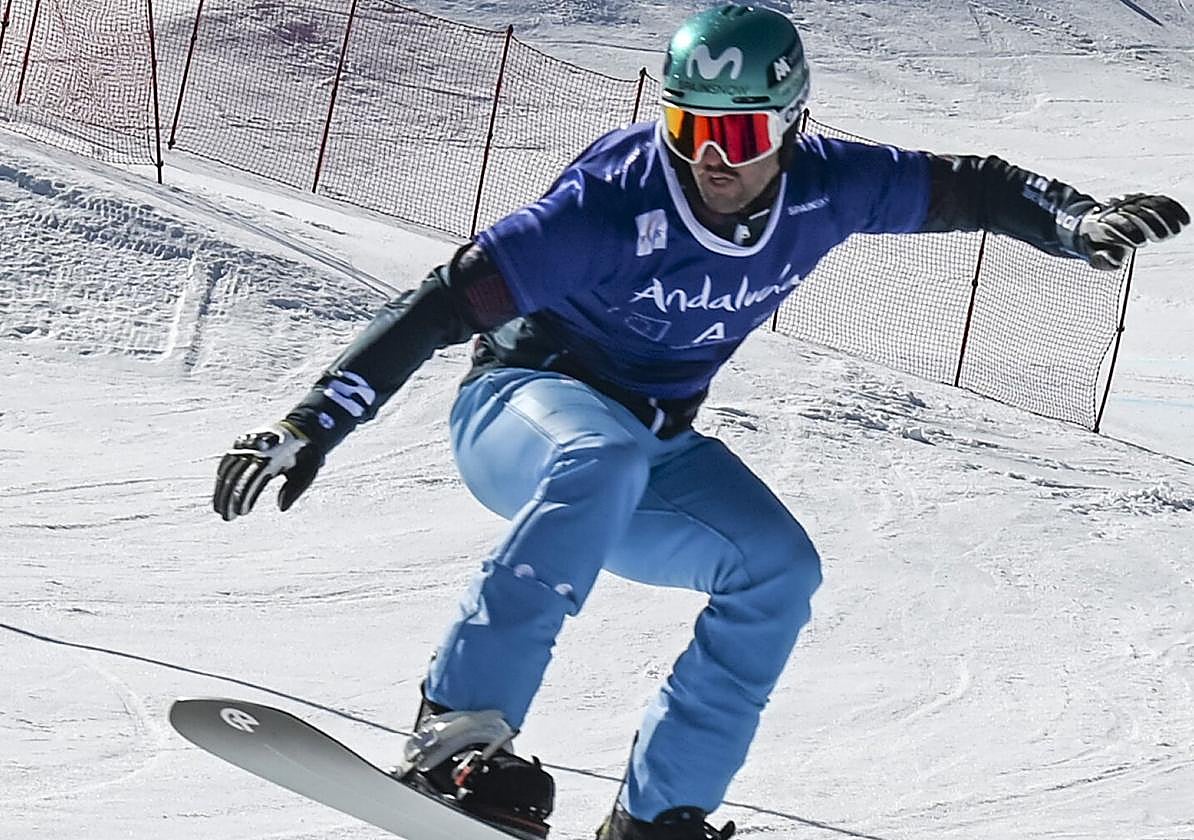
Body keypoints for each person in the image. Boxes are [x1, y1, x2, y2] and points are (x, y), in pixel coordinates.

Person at [211, 5, 1189, 840]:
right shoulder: (610, 202)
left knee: (776, 568)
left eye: (742, 136)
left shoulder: (832, 183)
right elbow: (438, 304)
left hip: (652, 446)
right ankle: (454, 741)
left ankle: (659, 814)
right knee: (596, 453)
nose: (712, 160)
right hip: (522, 408)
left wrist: (1071, 220)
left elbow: (969, 184)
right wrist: (309, 425)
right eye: (691, 128)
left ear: (791, 129)